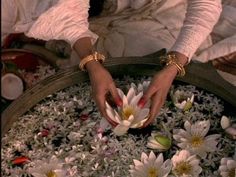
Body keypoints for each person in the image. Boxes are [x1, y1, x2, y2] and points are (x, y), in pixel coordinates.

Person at [1, 0, 222, 127]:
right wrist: (92, 62)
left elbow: (206, 7)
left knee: (158, 62)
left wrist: (173, 66)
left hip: (155, 6)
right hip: (95, 10)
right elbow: (68, 14)